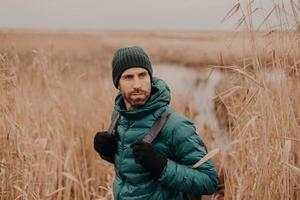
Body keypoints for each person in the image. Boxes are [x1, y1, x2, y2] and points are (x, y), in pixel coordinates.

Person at [94, 46, 219, 200]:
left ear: (150, 78)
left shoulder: (176, 126)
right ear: (117, 84)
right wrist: (108, 152)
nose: (137, 84)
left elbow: (209, 182)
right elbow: (132, 166)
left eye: (142, 75)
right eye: (128, 77)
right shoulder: (119, 116)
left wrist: (161, 166)